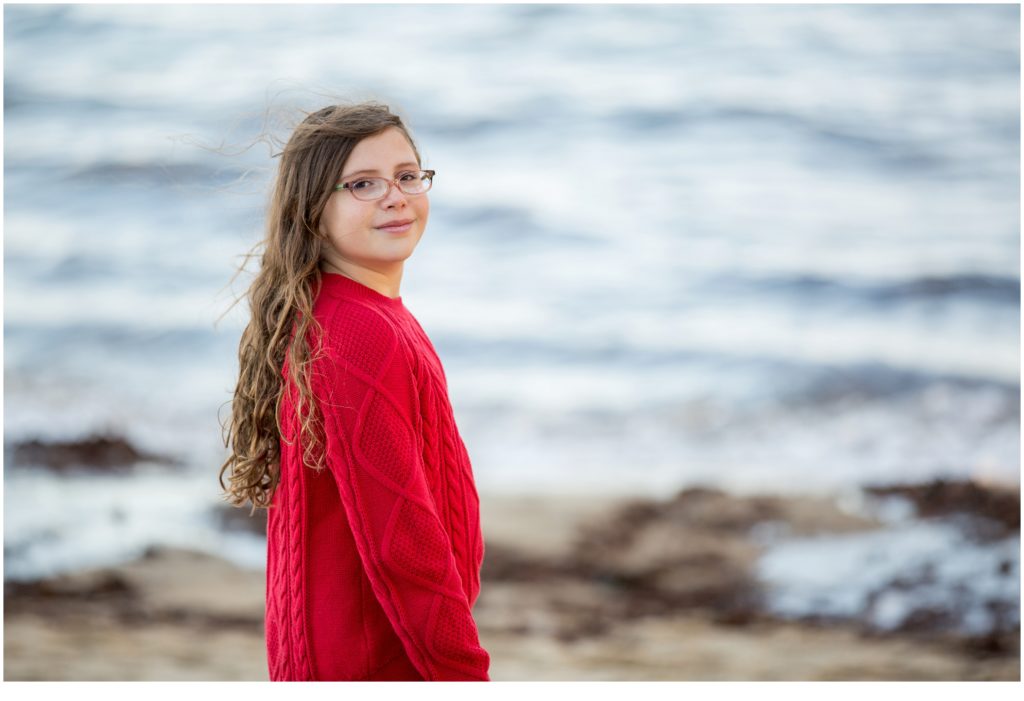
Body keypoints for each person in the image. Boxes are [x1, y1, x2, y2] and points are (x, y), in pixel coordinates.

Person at [219, 102, 491, 681]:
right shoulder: (359, 334)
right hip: (376, 659)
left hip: (342, 649)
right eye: (363, 184)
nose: (395, 196)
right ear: (313, 210)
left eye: (408, 175)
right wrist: (465, 675)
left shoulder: (342, 312)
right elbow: (402, 545)